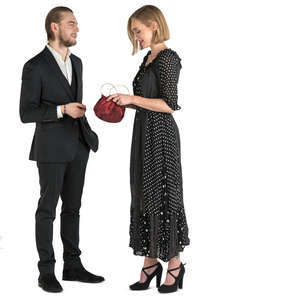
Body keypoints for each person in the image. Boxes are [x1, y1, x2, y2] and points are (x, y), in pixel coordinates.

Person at [19, 6, 104, 293]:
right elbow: (26, 112)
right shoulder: (35, 66)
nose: (76, 28)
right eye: (71, 24)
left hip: (79, 145)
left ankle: (73, 266)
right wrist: (61, 109)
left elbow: (73, 101)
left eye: (77, 24)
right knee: (47, 210)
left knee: (73, 209)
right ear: (54, 27)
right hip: (51, 149)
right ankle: (46, 271)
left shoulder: (78, 62)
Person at [106, 4, 190, 293]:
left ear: (154, 24)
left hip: (162, 137)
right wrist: (124, 103)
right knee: (143, 194)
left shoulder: (167, 58)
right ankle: (150, 262)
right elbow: (147, 101)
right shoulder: (147, 59)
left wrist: (133, 98)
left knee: (164, 195)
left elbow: (169, 104)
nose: (136, 38)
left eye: (137, 31)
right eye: (133, 33)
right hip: (143, 134)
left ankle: (175, 265)